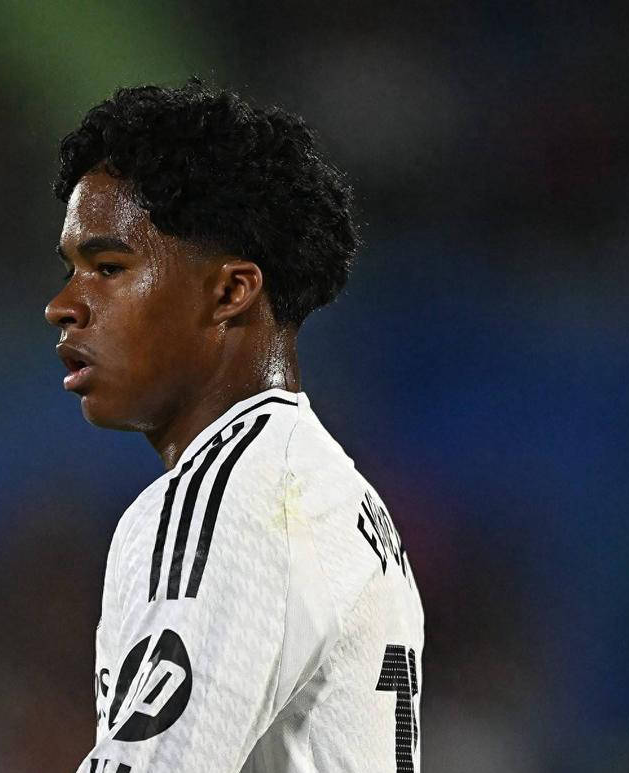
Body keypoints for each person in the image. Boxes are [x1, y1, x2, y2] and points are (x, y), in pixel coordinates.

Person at [44, 79, 425, 773]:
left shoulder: (231, 500)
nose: (63, 305)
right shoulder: (327, 489)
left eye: (108, 267)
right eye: (71, 269)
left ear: (229, 291)